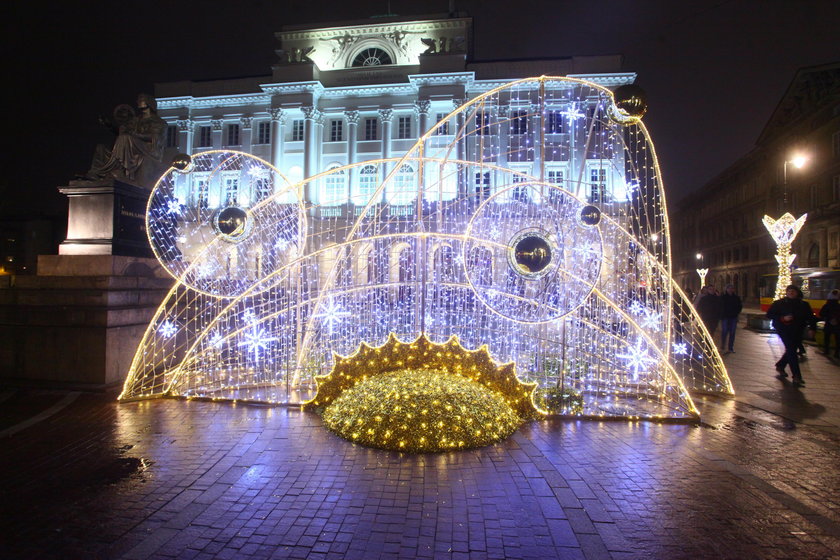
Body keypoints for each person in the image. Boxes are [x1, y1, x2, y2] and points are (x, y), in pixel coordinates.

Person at [87, 93, 167, 187]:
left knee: (125, 138)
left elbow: (154, 137)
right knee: (101, 148)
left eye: (141, 99)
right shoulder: (136, 120)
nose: (138, 101)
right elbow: (122, 132)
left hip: (148, 149)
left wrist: (134, 135)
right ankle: (97, 173)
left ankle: (120, 168)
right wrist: (109, 125)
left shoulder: (158, 121)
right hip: (132, 145)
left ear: (148, 102)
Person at [766, 285, 817, 385]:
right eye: (789, 291)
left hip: (798, 330)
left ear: (797, 293)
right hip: (784, 329)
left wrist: (812, 328)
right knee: (791, 351)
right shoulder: (779, 303)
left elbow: (811, 317)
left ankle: (780, 365)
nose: (791, 293)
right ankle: (796, 376)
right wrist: (782, 318)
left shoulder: (804, 304)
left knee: (791, 350)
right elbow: (769, 314)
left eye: (793, 291)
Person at [719, 284, 742, 353]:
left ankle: (730, 347)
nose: (730, 290)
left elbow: (739, 306)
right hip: (725, 317)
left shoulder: (736, 297)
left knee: (732, 333)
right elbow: (720, 306)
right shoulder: (723, 297)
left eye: (732, 288)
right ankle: (723, 345)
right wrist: (722, 314)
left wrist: (737, 312)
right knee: (724, 332)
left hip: (733, 317)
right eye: (729, 288)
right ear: (726, 289)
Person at [819, 289, 840, 358]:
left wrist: (828, 319)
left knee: (827, 337)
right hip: (837, 324)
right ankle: (837, 353)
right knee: (837, 339)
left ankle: (826, 350)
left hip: (828, 323)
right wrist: (836, 320)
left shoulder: (827, 305)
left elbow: (821, 313)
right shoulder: (838, 305)